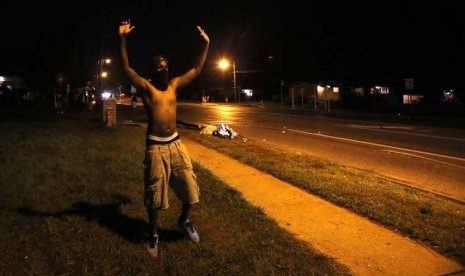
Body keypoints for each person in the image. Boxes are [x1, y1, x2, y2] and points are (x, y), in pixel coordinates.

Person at [119, 19, 209, 258]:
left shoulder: (174, 85)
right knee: (154, 197)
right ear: (152, 71)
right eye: (159, 66)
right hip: (156, 147)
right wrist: (123, 38)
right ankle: (154, 234)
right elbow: (127, 69)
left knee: (191, 190)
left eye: (166, 65)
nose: (164, 69)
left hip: (176, 143)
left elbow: (197, 70)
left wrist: (206, 45)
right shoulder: (147, 88)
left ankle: (184, 220)